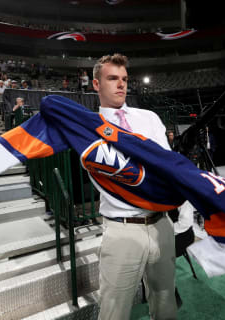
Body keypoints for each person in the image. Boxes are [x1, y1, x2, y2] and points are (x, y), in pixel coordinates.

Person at [91, 54, 177, 319]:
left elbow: (166, 166)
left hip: (161, 224)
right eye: (112, 78)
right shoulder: (88, 127)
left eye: (125, 79)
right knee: (113, 311)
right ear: (96, 84)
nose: (121, 85)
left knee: (166, 305)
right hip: (122, 229)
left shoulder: (148, 117)